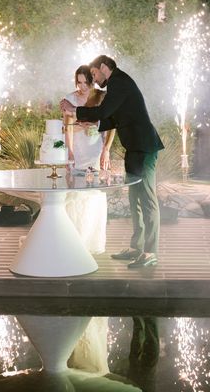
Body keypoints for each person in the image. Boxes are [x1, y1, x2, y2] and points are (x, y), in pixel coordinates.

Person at [60, 55, 163, 268]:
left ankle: (150, 252)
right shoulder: (118, 83)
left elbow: (104, 111)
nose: (94, 80)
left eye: (95, 74)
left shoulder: (119, 81)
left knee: (148, 200)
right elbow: (114, 118)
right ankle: (137, 247)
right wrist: (95, 125)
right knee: (135, 198)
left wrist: (74, 110)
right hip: (134, 148)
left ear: (104, 67)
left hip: (144, 148)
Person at [62, 65, 116, 254]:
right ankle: (73, 241)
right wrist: (69, 152)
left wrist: (106, 150)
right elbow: (67, 128)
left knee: (93, 194)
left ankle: (90, 241)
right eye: (79, 82)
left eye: (86, 82)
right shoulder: (69, 99)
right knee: (74, 193)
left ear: (93, 81)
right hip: (77, 148)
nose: (82, 86)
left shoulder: (101, 98)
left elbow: (111, 126)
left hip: (95, 149)